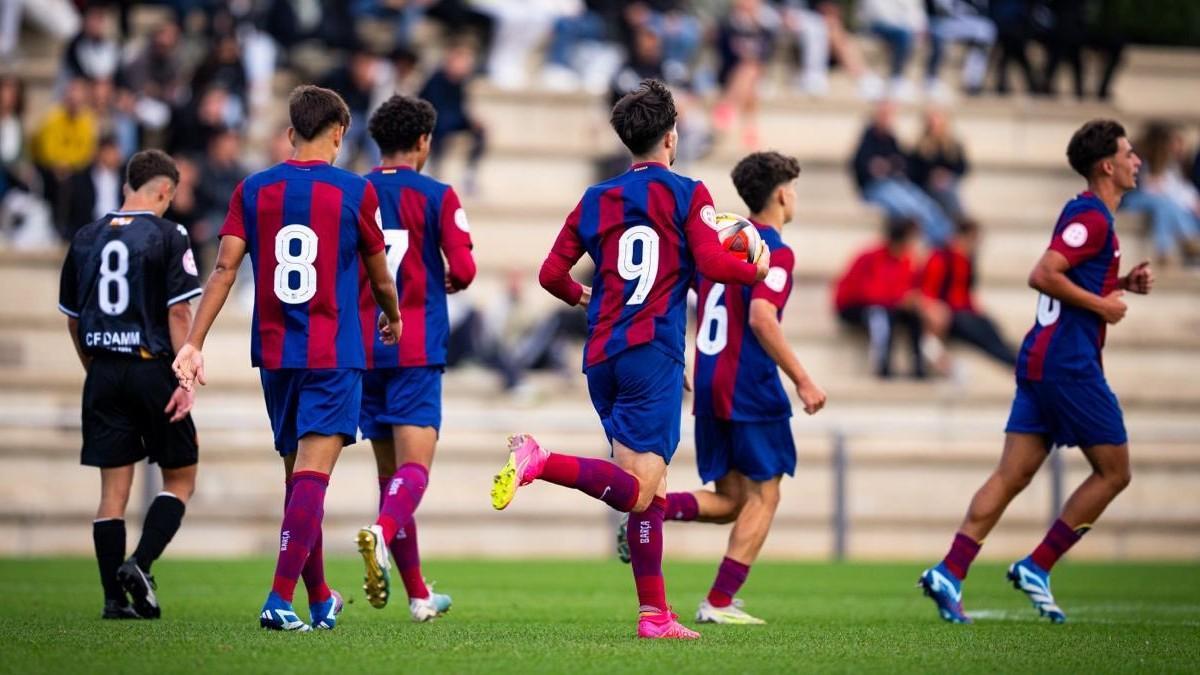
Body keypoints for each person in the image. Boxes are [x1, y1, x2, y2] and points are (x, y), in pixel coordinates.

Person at [489, 79, 769, 640]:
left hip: (603, 355)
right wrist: (755, 269)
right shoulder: (689, 193)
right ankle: (541, 459)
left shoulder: (596, 199)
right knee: (640, 487)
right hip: (651, 351)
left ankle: (654, 615)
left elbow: (550, 275)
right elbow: (715, 264)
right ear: (671, 136)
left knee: (651, 490)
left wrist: (582, 296)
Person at [171, 85, 402, 632]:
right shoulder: (354, 192)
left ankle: (320, 597)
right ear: (340, 134)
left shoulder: (254, 188)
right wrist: (392, 316)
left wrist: (194, 341)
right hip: (332, 351)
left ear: (292, 132)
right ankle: (279, 598)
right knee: (312, 480)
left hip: (276, 354)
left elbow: (224, 269)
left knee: (299, 479)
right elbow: (379, 271)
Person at [919, 119, 1153, 624]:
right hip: (1068, 365)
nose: (1138, 162)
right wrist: (1104, 305)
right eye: (1129, 154)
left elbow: (1076, 279)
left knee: (1014, 473)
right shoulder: (1091, 218)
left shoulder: (1088, 217)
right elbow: (1043, 274)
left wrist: (1124, 285)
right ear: (1107, 165)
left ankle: (950, 571)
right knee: (1115, 471)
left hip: (1044, 360)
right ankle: (1037, 565)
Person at [620, 151, 826, 625]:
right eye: (792, 188)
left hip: (711, 381)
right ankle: (717, 603)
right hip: (750, 387)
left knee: (734, 500)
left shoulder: (719, 242)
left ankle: (653, 509)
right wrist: (804, 380)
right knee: (766, 495)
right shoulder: (773, 249)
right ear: (780, 194)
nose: (793, 197)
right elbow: (760, 317)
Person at [57, 150, 202, 620]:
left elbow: (74, 322)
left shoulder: (85, 237)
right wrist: (185, 378)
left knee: (111, 493)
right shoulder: (168, 233)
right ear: (166, 192)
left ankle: (113, 601)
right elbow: (179, 312)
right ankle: (138, 564)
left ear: (126, 188)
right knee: (180, 477)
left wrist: (94, 370)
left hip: (101, 370)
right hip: (150, 367)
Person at [353, 94, 476, 622]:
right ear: (424, 141)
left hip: (361, 347)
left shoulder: (354, 190)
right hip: (416, 344)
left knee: (390, 479)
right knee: (415, 470)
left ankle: (419, 594)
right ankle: (380, 535)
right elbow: (466, 269)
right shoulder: (438, 195)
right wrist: (452, 276)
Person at [833, 217, 927, 379]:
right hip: (855, 305)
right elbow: (865, 292)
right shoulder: (871, 257)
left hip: (889, 305)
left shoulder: (907, 260)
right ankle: (882, 365)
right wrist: (899, 299)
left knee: (915, 317)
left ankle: (919, 366)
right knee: (880, 315)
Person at [851, 101, 952, 245]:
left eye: (889, 115)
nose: (887, 119)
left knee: (923, 203)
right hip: (876, 188)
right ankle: (938, 239)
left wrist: (891, 166)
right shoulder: (868, 140)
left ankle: (944, 235)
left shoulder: (892, 139)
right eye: (884, 115)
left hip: (896, 184)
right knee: (910, 208)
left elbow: (903, 164)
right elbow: (862, 167)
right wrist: (877, 168)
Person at [920, 218, 1017, 368]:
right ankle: (1015, 363)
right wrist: (934, 310)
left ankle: (1017, 360)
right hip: (951, 314)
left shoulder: (967, 260)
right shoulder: (942, 258)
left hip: (966, 310)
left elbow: (966, 292)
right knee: (984, 338)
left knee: (991, 329)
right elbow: (929, 292)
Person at [1119, 122, 1200, 266]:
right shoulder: (1141, 157)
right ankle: (1188, 238)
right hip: (1132, 199)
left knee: (1166, 206)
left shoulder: (1173, 164)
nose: (1180, 146)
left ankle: (1166, 249)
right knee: (1165, 203)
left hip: (1157, 202)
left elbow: (1177, 189)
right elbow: (1145, 187)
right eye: (1177, 141)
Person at [420, 45, 486, 195]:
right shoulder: (435, 80)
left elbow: (461, 108)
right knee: (440, 128)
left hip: (452, 119)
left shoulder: (461, 83)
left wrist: (472, 121)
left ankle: (470, 174)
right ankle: (433, 170)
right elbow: (432, 107)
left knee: (480, 132)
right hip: (433, 121)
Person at [924, 0, 995, 98]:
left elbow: (981, 10)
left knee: (985, 31)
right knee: (938, 34)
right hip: (943, 21)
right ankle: (932, 78)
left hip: (969, 22)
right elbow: (940, 9)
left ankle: (973, 82)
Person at [858, 0, 926, 101]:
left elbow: (916, 15)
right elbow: (873, 13)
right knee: (904, 35)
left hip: (903, 28)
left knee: (908, 35)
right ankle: (896, 78)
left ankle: (896, 78)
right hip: (878, 25)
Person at [908, 107, 969, 219]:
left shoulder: (953, 145)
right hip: (927, 186)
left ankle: (957, 220)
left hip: (948, 183)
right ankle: (959, 221)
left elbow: (962, 167)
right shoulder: (919, 146)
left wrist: (946, 174)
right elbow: (913, 170)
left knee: (947, 189)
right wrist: (932, 176)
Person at [64, 134, 123, 238]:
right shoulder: (83, 177)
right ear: (100, 153)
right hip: (93, 226)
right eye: (110, 152)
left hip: (120, 225)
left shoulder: (125, 177)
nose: (116, 156)